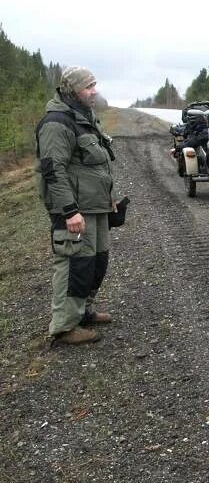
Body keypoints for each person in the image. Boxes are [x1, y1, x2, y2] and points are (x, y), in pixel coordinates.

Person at [34, 66, 118, 345]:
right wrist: (69, 211)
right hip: (74, 210)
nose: (94, 91)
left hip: (94, 207)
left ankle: (82, 312)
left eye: (94, 85)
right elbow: (53, 170)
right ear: (72, 90)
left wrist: (109, 199)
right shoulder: (56, 123)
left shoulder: (84, 117)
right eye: (88, 86)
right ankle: (64, 327)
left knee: (95, 263)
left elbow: (96, 166)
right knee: (73, 266)